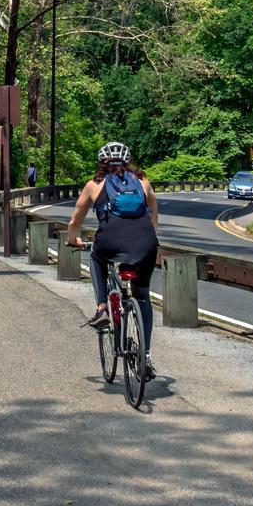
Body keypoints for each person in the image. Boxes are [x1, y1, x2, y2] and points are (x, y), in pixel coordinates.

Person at [64, 142, 160, 380]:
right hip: (145, 245)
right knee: (142, 296)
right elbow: (154, 218)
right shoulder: (143, 182)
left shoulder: (94, 185)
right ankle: (144, 356)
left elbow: (74, 222)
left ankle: (101, 308)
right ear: (128, 162)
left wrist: (73, 239)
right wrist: (147, 241)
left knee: (97, 256)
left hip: (110, 243)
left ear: (101, 163)